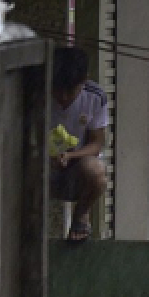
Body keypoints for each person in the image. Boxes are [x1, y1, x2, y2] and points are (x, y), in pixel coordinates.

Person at [49, 46, 109, 243]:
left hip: (75, 168)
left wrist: (70, 156)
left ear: (84, 81)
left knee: (97, 171)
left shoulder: (95, 97)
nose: (64, 97)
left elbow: (96, 143)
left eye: (71, 91)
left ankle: (81, 214)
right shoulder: (37, 92)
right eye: (58, 90)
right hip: (41, 168)